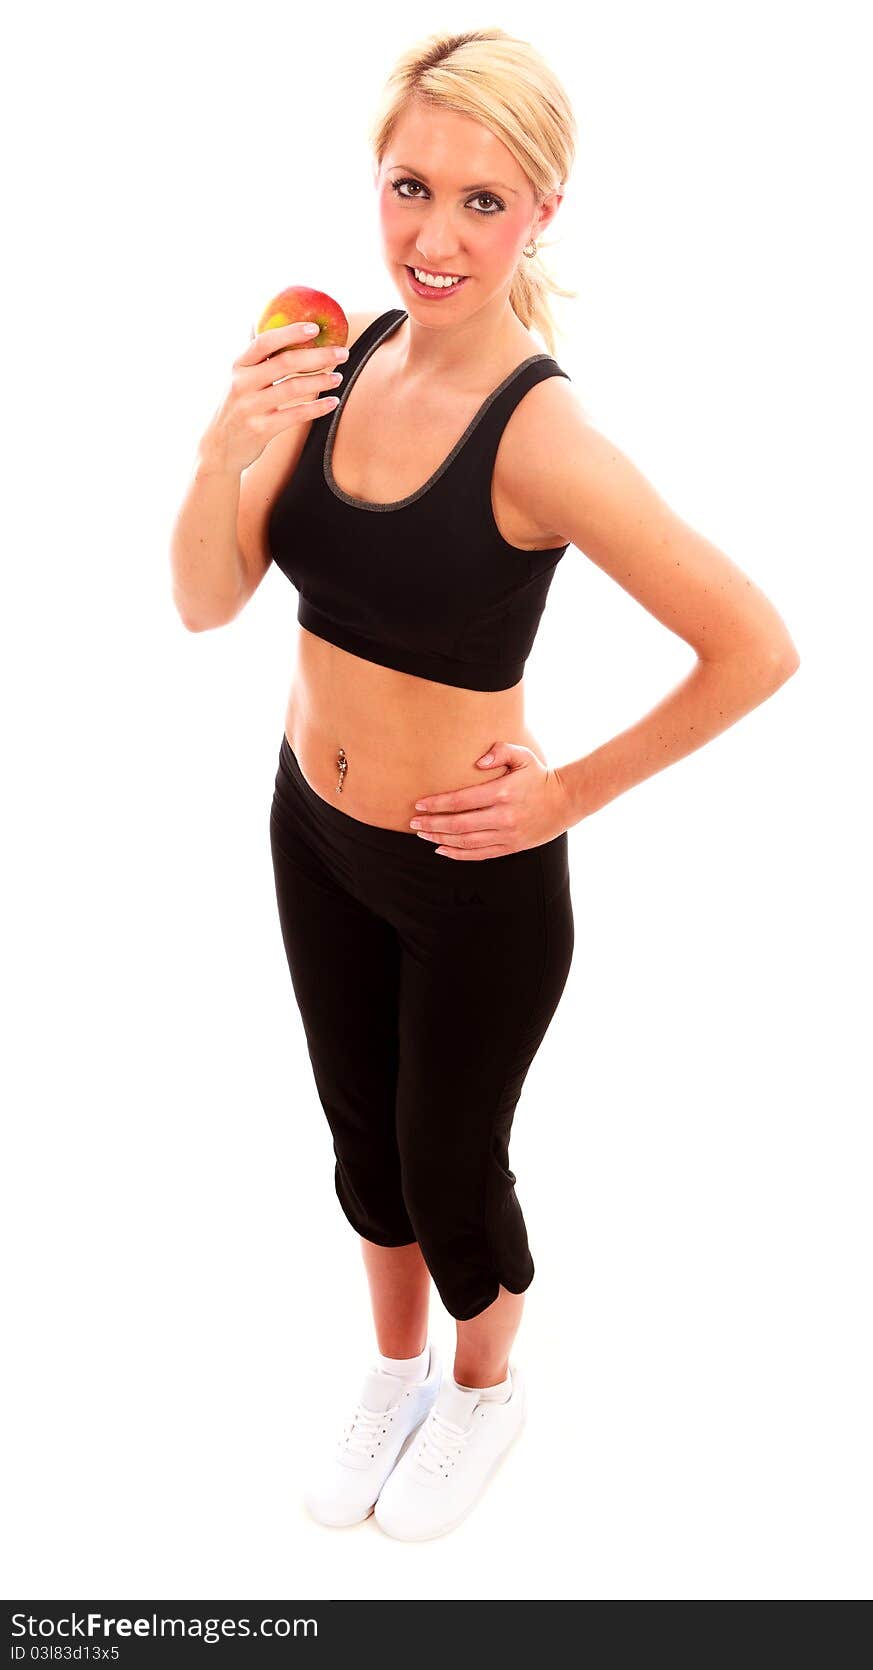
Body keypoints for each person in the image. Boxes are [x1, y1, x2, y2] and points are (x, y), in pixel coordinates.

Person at [169, 28, 800, 1543]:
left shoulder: (548, 438)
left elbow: (755, 646)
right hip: (309, 829)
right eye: (408, 187)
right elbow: (205, 600)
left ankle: (484, 1379)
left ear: (542, 214)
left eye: (481, 201)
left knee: (452, 1166)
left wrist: (569, 790)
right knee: (359, 1139)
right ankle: (392, 1370)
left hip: (470, 880)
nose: (431, 237)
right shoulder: (336, 358)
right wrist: (223, 443)